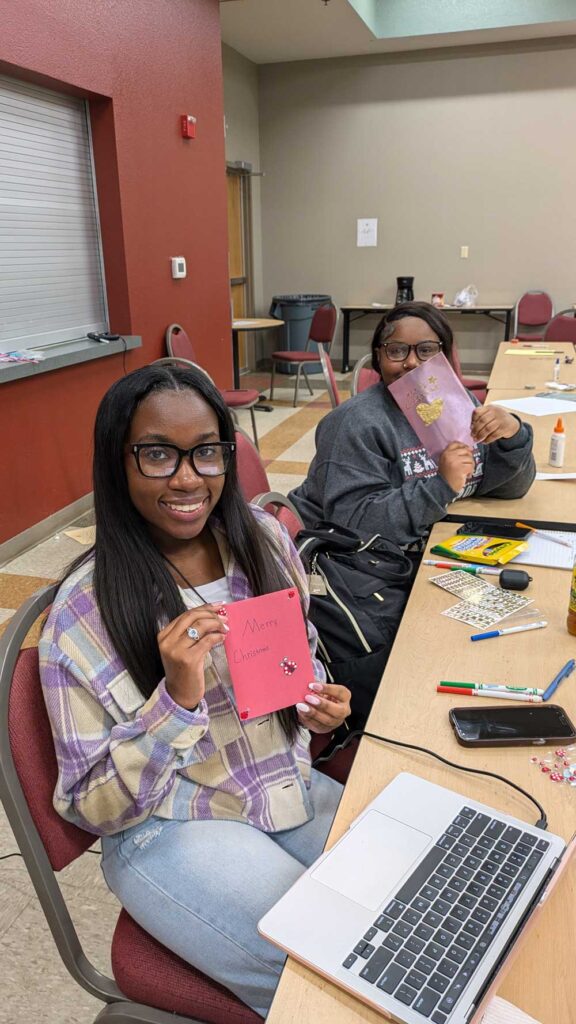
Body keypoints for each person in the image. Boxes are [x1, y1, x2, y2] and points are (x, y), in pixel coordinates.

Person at [39, 364, 351, 1018]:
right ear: (117, 462)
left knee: (416, 902)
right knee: (334, 977)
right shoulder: (82, 614)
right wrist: (174, 702)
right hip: (170, 825)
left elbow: (303, 660)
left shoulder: (262, 540)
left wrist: (319, 697)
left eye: (206, 451)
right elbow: (90, 807)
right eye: (157, 454)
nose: (188, 477)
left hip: (279, 781)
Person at [290, 302, 535, 548]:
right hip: (355, 561)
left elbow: (509, 489)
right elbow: (356, 524)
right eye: (396, 351)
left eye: (427, 350)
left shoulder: (461, 404)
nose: (412, 362)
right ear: (378, 356)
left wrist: (512, 436)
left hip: (433, 542)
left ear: (446, 355)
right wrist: (442, 486)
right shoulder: (354, 423)